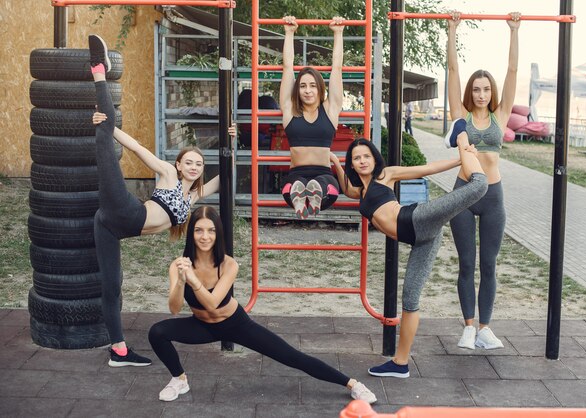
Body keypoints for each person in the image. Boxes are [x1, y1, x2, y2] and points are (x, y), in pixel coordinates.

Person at [88, 35, 235, 367]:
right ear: (180, 164)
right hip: (124, 211)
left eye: (200, 164)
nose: (195, 167)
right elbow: (139, 150)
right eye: (190, 162)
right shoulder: (169, 174)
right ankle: (98, 70)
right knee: (104, 141)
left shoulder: (195, 195)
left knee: (112, 287)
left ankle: (118, 351)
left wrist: (231, 140)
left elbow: (226, 177)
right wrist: (111, 129)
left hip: (114, 229)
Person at [147, 206, 377, 403]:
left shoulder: (228, 264)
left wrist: (194, 280)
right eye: (198, 230)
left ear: (218, 234)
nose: (204, 236)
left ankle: (352, 384)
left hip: (235, 323)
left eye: (211, 230)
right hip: (201, 326)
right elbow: (175, 309)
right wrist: (180, 281)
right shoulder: (179, 265)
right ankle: (179, 379)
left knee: (292, 357)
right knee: (157, 332)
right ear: (191, 233)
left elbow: (213, 304)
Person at [329, 123, 488, 378]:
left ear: (374, 158)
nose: (362, 161)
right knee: (410, 298)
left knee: (479, 186)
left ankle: (460, 136)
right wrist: (335, 162)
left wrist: (461, 158)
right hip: (422, 239)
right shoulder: (361, 189)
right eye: (356, 158)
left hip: (417, 219)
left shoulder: (385, 175)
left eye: (366, 156)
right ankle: (400, 363)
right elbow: (347, 189)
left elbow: (425, 169)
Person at [446, 12, 521, 350]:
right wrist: (452, 30)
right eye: (475, 89)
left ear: (491, 92)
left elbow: (512, 72)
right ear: (469, 92)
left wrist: (514, 31)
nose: (480, 93)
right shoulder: (459, 116)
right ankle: (467, 326)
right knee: (467, 264)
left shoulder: (499, 116)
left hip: (493, 196)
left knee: (488, 265)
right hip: (464, 193)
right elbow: (452, 71)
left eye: (485, 88)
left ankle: (485, 327)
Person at [279, 15, 345, 219]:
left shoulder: (330, 109)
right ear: (297, 90)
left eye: (313, 85)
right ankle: (302, 194)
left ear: (320, 89)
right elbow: (288, 67)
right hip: (296, 174)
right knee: (289, 189)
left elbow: (337, 68)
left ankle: (315, 191)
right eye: (303, 86)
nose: (308, 91)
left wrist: (338, 33)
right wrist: (289, 33)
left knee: (329, 190)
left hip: (324, 173)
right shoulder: (289, 109)